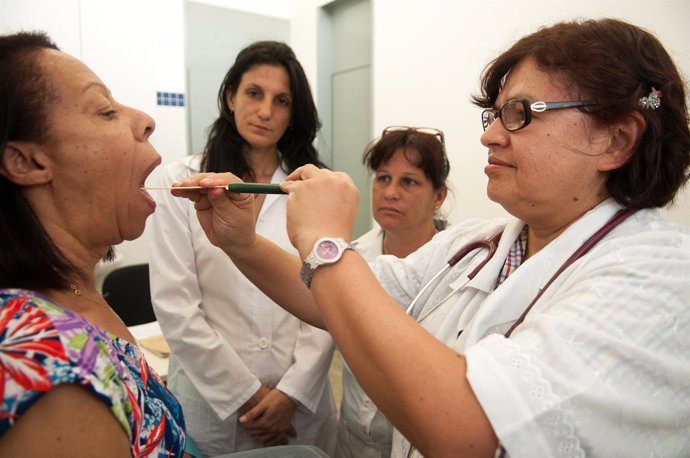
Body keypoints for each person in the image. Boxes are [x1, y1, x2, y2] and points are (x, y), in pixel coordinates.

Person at [170, 17, 690, 457]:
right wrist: (241, 242)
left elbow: (470, 431)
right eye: (495, 113)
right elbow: (337, 301)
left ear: (616, 139)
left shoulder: (658, 276)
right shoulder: (477, 244)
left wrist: (327, 243)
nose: (488, 134)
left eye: (520, 114)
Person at [0, 31, 186, 456]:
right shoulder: (49, 363)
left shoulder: (73, 294)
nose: (145, 119)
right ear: (27, 161)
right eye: (105, 110)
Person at [148, 41, 337, 457]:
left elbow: (330, 294)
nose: (266, 111)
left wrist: (290, 393)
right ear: (231, 96)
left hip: (300, 409)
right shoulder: (183, 181)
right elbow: (176, 306)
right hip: (213, 406)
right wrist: (246, 395)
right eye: (254, 93)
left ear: (294, 114)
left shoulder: (314, 186)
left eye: (281, 100)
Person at [336, 126, 449, 458]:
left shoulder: (459, 267)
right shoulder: (350, 257)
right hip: (352, 439)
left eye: (409, 182)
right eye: (383, 178)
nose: (390, 192)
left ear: (438, 196)